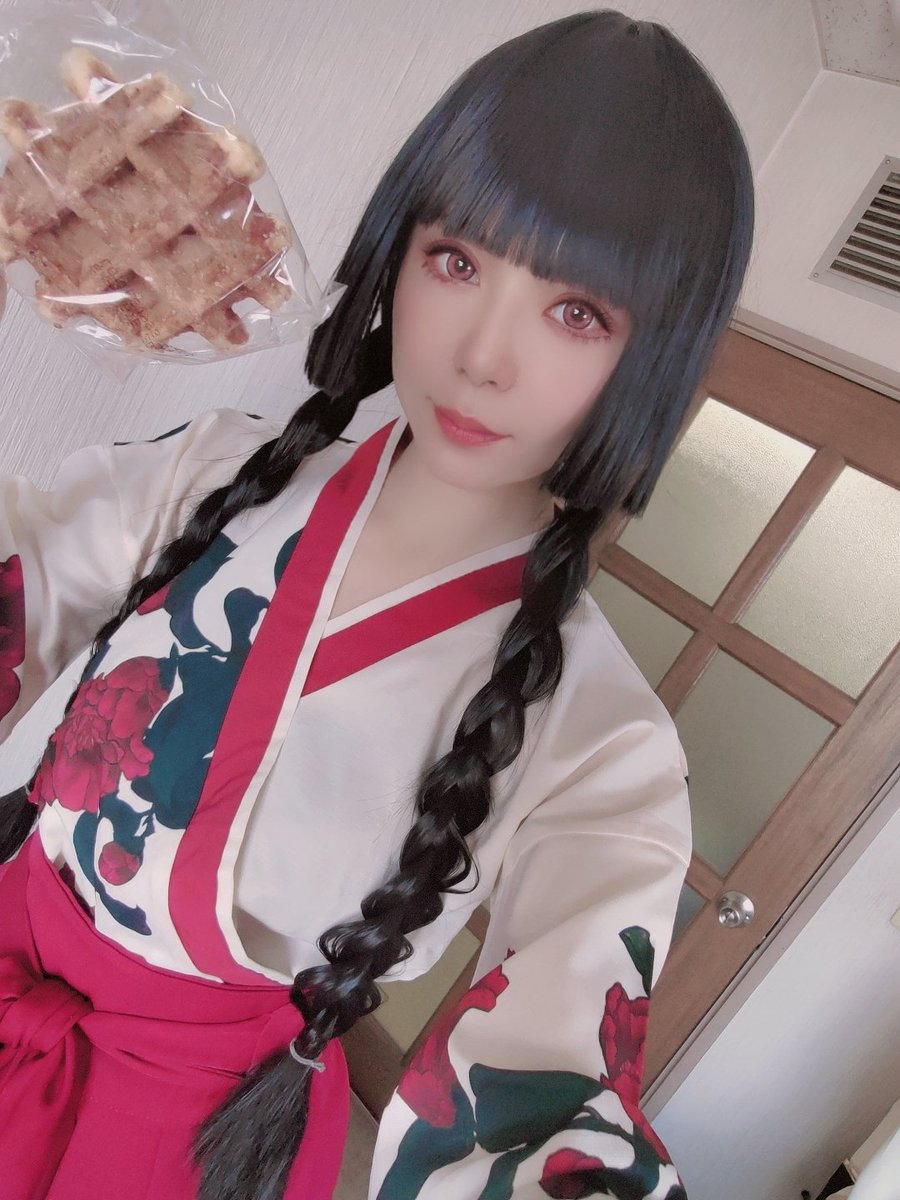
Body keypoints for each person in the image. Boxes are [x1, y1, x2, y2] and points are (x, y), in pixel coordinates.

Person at [0, 9, 753, 1200]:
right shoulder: (210, 469)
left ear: (652, 358)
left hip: (181, 1144)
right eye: (456, 262)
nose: (483, 356)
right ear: (398, 251)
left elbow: (547, 1092)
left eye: (577, 313)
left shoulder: (605, 746)